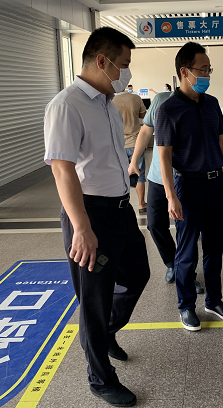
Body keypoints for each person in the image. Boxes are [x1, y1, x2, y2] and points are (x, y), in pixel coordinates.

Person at [44, 26, 149, 407]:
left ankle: (104, 333)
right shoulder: (66, 105)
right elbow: (62, 170)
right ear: (102, 61)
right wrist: (81, 228)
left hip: (120, 209)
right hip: (90, 214)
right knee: (94, 300)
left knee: (137, 275)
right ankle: (100, 379)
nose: (126, 72)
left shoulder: (107, 102)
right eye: (123, 64)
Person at [156, 42, 223, 332]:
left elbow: (222, 142)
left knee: (215, 247)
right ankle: (186, 306)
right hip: (188, 186)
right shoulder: (168, 109)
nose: (207, 75)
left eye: (208, 69)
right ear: (185, 71)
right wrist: (170, 196)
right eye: (202, 70)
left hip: (216, 183)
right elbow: (164, 156)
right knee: (187, 250)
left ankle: (214, 301)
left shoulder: (212, 103)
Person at [127, 91, 204, 294]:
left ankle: (187, 275)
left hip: (185, 179)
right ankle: (172, 263)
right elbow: (146, 131)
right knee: (154, 224)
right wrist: (134, 161)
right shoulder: (161, 99)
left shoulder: (200, 102)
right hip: (158, 178)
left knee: (186, 230)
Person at [114, 87, 148, 213]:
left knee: (119, 175)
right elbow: (144, 116)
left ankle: (121, 203)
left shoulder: (110, 101)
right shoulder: (135, 98)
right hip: (135, 143)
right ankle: (141, 204)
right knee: (139, 174)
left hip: (117, 144)